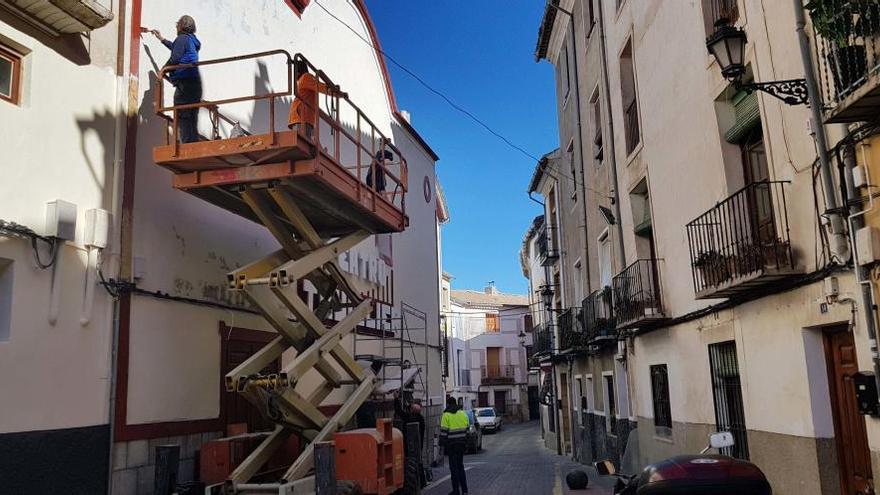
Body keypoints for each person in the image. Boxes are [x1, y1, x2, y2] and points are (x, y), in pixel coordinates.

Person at [151, 16, 202, 144]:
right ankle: (192, 144)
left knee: (182, 115)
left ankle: (186, 145)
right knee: (191, 117)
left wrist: (162, 70)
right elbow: (177, 48)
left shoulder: (182, 39)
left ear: (181, 26)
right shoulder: (191, 40)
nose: (176, 27)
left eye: (177, 24)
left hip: (184, 83)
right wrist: (162, 40)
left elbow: (175, 58)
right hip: (195, 84)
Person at [287, 60, 346, 139]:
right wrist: (338, 93)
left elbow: (321, 87)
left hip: (301, 118)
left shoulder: (305, 78)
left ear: (298, 71)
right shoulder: (305, 78)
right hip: (302, 118)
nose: (295, 75)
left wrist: (337, 93)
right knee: (305, 142)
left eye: (295, 71)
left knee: (305, 142)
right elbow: (321, 87)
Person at [439, 396, 470, 495]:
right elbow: (467, 429)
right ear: (456, 403)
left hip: (451, 445)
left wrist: (441, 445)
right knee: (460, 466)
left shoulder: (446, 415)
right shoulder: (463, 413)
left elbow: (444, 432)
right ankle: (464, 490)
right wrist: (466, 443)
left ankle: (456, 490)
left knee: (454, 468)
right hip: (461, 444)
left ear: (448, 404)